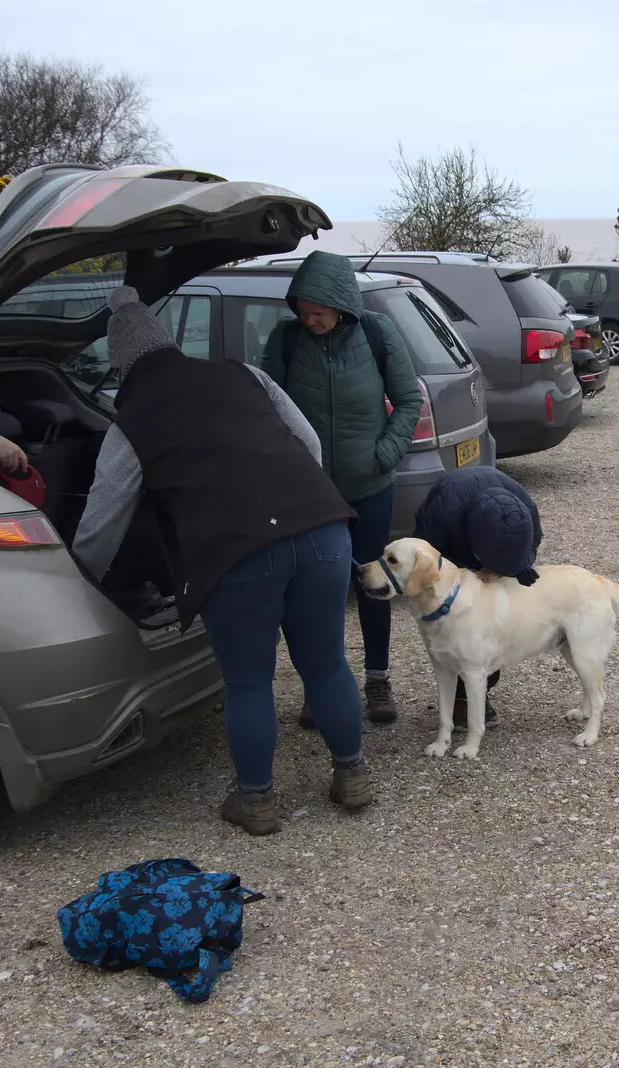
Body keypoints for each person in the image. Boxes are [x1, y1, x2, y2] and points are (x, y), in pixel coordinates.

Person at [73, 287, 370, 837]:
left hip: (237, 554)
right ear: (171, 344)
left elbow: (103, 518)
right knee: (327, 663)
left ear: (121, 365)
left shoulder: (131, 421)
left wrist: (78, 578)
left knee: (250, 682)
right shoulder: (243, 375)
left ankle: (256, 801)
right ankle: (352, 774)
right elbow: (308, 442)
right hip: (323, 528)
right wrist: (287, 497)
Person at [262, 251, 423, 726]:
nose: (308, 320)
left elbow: (409, 398)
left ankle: (377, 680)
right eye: (302, 311)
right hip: (310, 495)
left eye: (318, 312)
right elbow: (264, 407)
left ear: (342, 305)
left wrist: (385, 454)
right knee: (316, 591)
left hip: (370, 485)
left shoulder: (377, 333)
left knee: (374, 585)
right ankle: (321, 684)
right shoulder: (286, 339)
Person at [411, 466, 543, 727]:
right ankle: (457, 695)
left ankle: (478, 690)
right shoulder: (442, 511)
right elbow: (425, 559)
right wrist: (468, 572)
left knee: (494, 623)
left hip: (484, 542)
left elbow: (533, 542)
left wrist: (520, 566)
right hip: (450, 550)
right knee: (454, 627)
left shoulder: (525, 509)